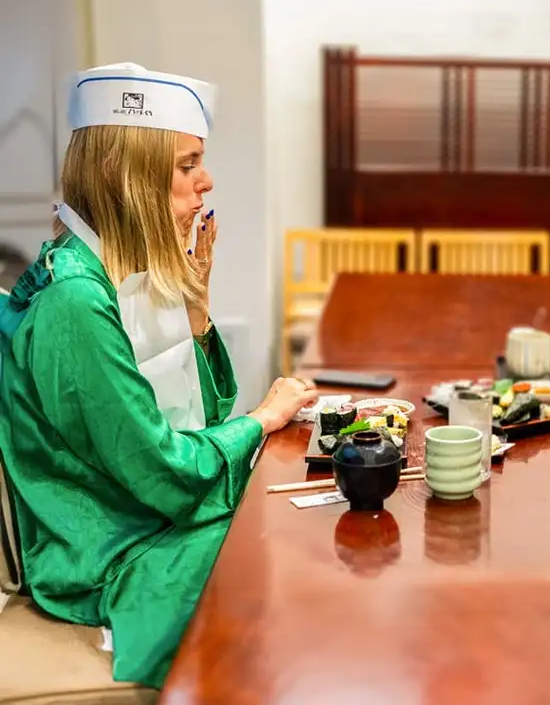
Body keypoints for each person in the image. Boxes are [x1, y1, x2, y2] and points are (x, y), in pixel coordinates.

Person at [0, 63, 319, 687]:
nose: (207, 181)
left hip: (145, 513)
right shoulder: (75, 301)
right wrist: (263, 419)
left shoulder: (123, 264)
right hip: (110, 548)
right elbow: (163, 469)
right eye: (186, 165)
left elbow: (199, 413)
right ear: (129, 178)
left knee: (293, 528)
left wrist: (196, 310)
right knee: (278, 574)